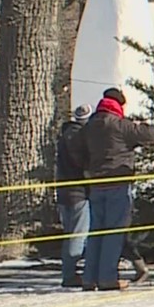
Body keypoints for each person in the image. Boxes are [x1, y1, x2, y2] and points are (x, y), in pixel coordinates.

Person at [79, 88, 154, 291]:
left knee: (96, 231)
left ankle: (90, 278)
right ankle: (107, 277)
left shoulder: (90, 126)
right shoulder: (120, 125)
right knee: (114, 232)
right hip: (118, 183)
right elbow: (151, 134)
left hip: (96, 184)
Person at [56, 104, 92, 288]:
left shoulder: (64, 136)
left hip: (63, 190)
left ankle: (68, 271)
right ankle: (70, 275)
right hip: (79, 191)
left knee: (70, 232)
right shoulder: (80, 139)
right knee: (78, 234)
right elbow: (82, 164)